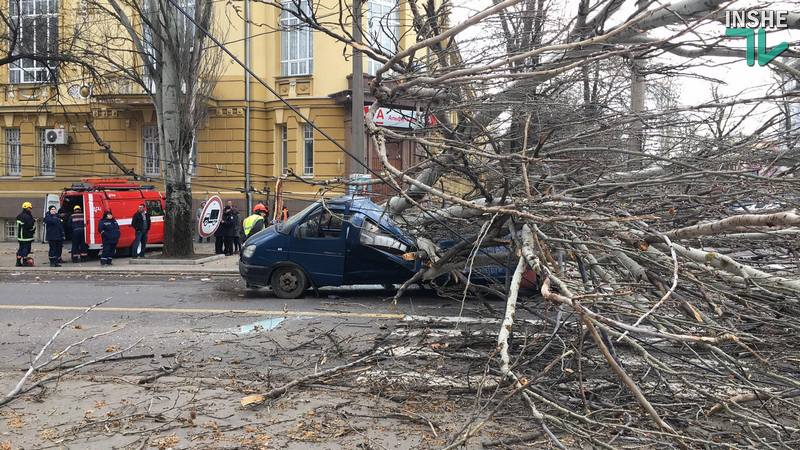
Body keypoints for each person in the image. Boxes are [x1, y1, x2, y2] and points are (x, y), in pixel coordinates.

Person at [15, 202, 35, 267]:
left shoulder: (19, 215)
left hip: (20, 236)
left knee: (21, 249)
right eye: (30, 208)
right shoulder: (27, 217)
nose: (30, 209)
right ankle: (25, 262)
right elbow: (29, 226)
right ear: (27, 208)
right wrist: (33, 223)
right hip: (27, 236)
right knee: (26, 249)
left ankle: (18, 262)